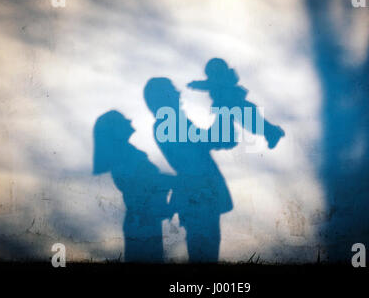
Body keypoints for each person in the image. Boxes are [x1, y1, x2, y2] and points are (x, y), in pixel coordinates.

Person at [144, 78, 236, 262]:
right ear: (162, 98)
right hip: (199, 195)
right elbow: (214, 140)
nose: (178, 93)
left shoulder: (173, 123)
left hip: (199, 195)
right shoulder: (170, 124)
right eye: (172, 90)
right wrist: (223, 105)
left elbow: (219, 139)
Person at [93, 110, 173, 262]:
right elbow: (148, 181)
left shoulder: (127, 154)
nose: (129, 121)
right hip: (142, 222)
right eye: (123, 120)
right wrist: (179, 181)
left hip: (146, 221)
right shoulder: (124, 156)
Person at [188, 58, 285, 148]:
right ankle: (271, 132)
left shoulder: (222, 79)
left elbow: (209, 84)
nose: (210, 77)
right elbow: (209, 84)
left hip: (234, 106)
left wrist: (196, 84)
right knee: (250, 124)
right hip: (232, 107)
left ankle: (272, 132)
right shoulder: (222, 80)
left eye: (211, 74)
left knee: (251, 124)